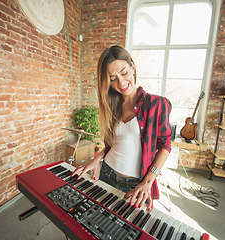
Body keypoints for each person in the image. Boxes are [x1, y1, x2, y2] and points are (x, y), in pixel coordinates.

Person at [71, 45, 172, 210]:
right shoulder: (112, 106)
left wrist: (148, 181)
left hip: (135, 185)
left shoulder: (156, 104)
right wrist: (94, 160)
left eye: (124, 73)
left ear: (132, 66)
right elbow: (112, 145)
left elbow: (165, 145)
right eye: (112, 78)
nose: (121, 82)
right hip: (107, 173)